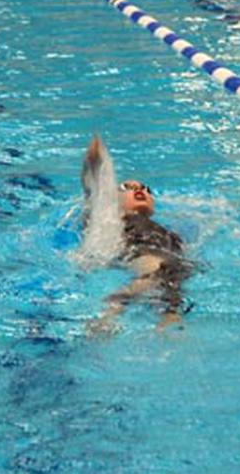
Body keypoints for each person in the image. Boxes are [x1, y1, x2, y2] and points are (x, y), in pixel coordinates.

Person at [80, 135, 192, 334]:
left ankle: (168, 324)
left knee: (173, 282)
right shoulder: (112, 217)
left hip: (173, 261)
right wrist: (94, 163)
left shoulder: (166, 229)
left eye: (145, 188)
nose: (139, 190)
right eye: (128, 188)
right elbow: (93, 190)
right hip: (141, 252)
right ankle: (112, 309)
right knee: (159, 273)